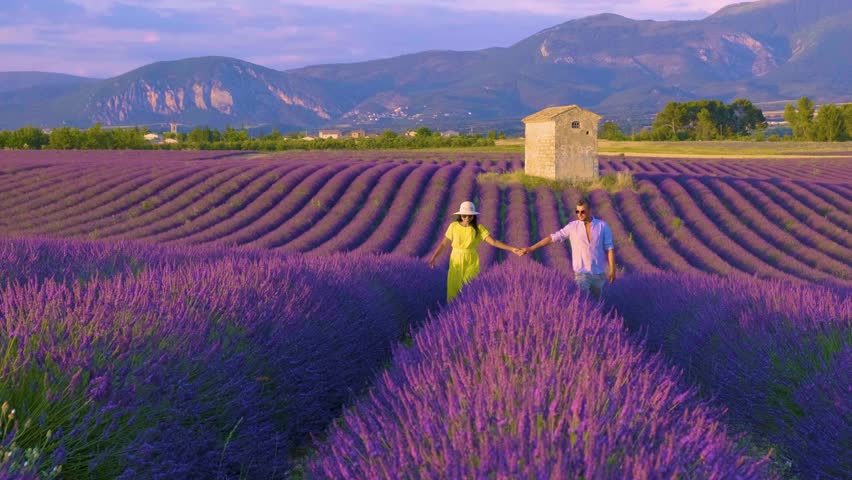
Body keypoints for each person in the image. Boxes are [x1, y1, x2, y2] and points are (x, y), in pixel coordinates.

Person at [429, 201, 523, 302]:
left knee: (468, 288)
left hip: (471, 260)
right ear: (460, 215)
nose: (467, 218)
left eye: (470, 216)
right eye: (464, 216)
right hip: (455, 260)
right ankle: (454, 311)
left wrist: (511, 249)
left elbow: (493, 242)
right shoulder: (453, 226)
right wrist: (434, 256)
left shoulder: (479, 228)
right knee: (453, 289)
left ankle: (468, 310)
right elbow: (443, 243)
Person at [522, 198, 615, 298]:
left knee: (597, 305)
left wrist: (612, 270)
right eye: (577, 212)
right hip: (581, 273)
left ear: (590, 210)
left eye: (583, 211)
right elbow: (552, 238)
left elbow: (609, 249)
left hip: (599, 274)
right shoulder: (572, 227)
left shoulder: (602, 226)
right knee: (583, 301)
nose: (579, 214)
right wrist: (531, 248)